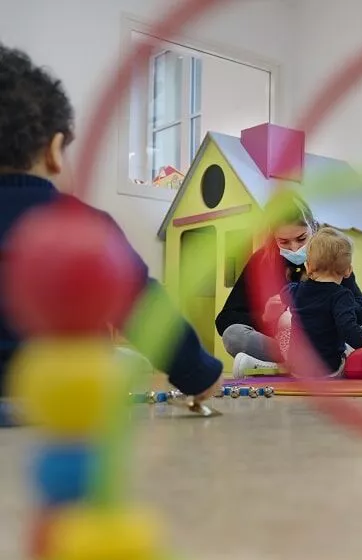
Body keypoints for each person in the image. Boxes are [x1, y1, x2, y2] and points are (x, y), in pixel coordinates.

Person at [0, 43, 221, 404]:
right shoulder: (82, 227)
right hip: (61, 398)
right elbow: (142, 307)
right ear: (54, 150)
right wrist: (197, 372)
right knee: (120, 361)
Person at [216, 190, 362, 378]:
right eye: (284, 242)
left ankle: (281, 367)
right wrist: (265, 317)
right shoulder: (261, 261)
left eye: (301, 238)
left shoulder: (330, 256)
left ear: (313, 227)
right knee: (234, 335)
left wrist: (333, 309)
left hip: (327, 339)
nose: (294, 248)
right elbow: (225, 320)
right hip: (284, 344)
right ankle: (315, 364)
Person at [281, 227, 362, 377]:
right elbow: (349, 330)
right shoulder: (342, 295)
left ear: (308, 267)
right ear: (348, 271)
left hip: (297, 369)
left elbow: (284, 292)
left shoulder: (297, 290)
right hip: (328, 369)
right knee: (355, 354)